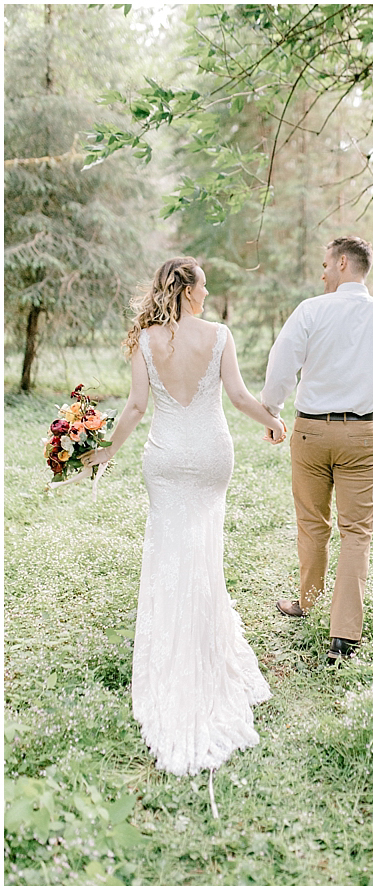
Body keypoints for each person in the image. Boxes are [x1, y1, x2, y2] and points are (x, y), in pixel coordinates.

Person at [83, 257, 286, 777]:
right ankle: (204, 646)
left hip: (167, 458)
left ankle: (175, 652)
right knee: (204, 552)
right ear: (191, 291)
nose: (208, 290)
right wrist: (273, 420)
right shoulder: (219, 335)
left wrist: (106, 451)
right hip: (212, 456)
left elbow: (133, 408)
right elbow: (240, 396)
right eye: (205, 284)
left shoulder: (145, 340)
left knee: (171, 551)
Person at [261, 236, 373, 665]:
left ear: (344, 263)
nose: (322, 272)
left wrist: (272, 415)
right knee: (356, 533)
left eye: (326, 264)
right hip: (361, 437)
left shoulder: (311, 310)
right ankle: (344, 636)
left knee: (311, 524)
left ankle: (307, 603)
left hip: (309, 433)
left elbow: (281, 365)